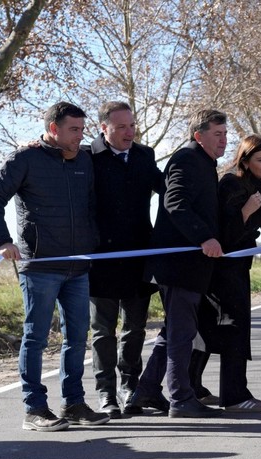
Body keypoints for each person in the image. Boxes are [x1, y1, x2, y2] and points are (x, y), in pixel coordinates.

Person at [0, 101, 109, 431]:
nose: (80, 136)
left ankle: (74, 404)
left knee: (77, 338)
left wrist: (92, 241)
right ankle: (34, 409)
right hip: (39, 265)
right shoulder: (26, 158)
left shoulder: (84, 160)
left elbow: (93, 203)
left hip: (78, 266)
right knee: (35, 338)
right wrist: (2, 241)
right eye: (73, 130)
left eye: (82, 129)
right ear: (54, 129)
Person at [130, 109, 228, 419]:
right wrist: (205, 238)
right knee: (181, 335)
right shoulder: (187, 159)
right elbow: (175, 203)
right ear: (199, 136)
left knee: (174, 331)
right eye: (217, 134)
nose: (224, 140)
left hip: (187, 265)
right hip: (179, 264)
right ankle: (181, 399)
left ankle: (145, 391)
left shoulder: (203, 161)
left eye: (225, 134)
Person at [85, 101, 164, 419]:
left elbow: (169, 189)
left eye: (132, 126)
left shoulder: (145, 156)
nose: (129, 132)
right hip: (101, 259)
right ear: (104, 128)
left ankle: (130, 387)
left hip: (139, 258)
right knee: (103, 330)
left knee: (135, 329)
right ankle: (106, 394)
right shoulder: (87, 157)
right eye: (121, 127)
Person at [189, 135, 261, 412]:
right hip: (221, 271)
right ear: (245, 161)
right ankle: (235, 396)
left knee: (217, 330)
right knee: (230, 330)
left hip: (239, 267)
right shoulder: (231, 183)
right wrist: (247, 211)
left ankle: (196, 388)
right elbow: (225, 235)